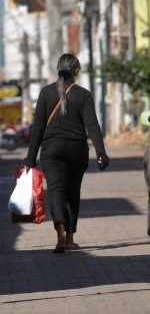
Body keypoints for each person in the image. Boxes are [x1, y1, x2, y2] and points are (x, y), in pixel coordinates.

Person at [23, 53, 109, 253]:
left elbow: (37, 128)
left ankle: (60, 231)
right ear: (76, 72)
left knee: (56, 191)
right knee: (72, 193)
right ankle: (70, 239)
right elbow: (93, 127)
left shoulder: (45, 93)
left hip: (52, 151)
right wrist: (101, 153)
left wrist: (30, 158)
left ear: (57, 70)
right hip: (76, 151)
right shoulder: (84, 95)